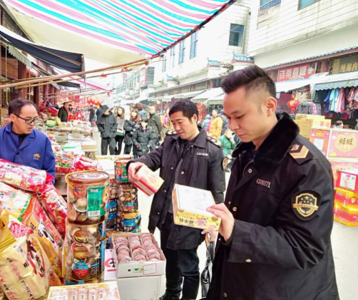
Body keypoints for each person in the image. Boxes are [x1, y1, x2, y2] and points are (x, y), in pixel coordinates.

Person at [206, 65, 339, 300]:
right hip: (242, 280)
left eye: (239, 116)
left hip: (283, 290)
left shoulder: (306, 166)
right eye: (228, 118)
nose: (232, 126)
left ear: (269, 106)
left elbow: (305, 247)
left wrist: (236, 231)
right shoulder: (246, 152)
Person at [127, 100, 225, 300]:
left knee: (188, 266)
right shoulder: (170, 142)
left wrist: (214, 224)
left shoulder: (211, 150)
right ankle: (172, 294)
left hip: (191, 221)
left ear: (195, 119)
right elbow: (153, 158)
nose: (177, 127)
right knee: (170, 258)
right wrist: (136, 163)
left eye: (180, 122)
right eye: (173, 123)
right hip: (166, 214)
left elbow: (217, 191)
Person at [0, 99, 55, 178]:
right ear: (13, 117)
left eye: (35, 119)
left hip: (30, 189)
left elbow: (49, 174)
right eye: (28, 119)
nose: (32, 124)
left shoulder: (42, 140)